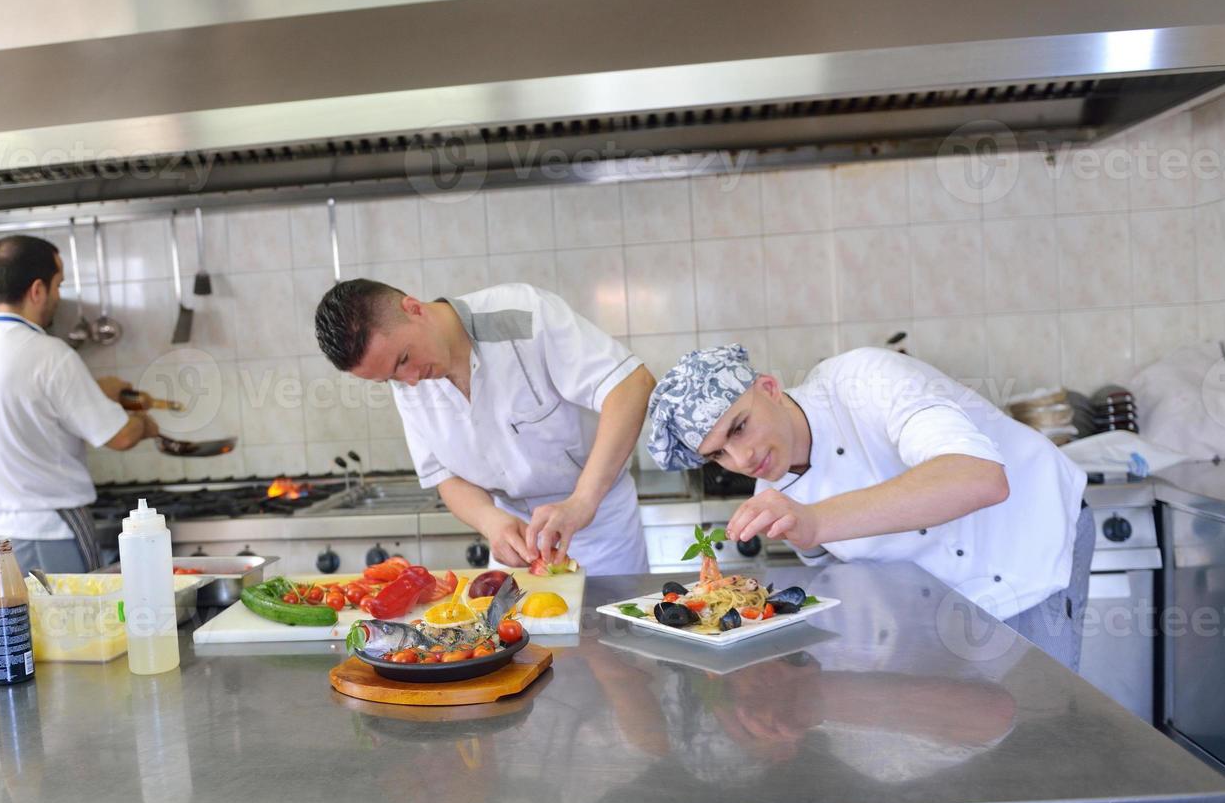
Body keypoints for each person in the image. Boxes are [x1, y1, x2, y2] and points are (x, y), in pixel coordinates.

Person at [646, 344, 1092, 670]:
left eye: (739, 427)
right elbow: (838, 568)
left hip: (1026, 536)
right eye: (719, 453)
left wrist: (817, 520)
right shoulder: (770, 486)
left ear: (769, 388)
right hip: (942, 592)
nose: (740, 459)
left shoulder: (865, 380)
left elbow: (979, 478)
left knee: (1041, 724)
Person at [314, 279, 655, 575]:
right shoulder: (407, 381)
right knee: (522, 648)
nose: (411, 380)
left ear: (414, 308)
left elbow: (631, 386)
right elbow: (444, 476)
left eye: (404, 359)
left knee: (610, 643)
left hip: (600, 528)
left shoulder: (522, 315)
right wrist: (490, 522)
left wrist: (582, 500)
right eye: (390, 377)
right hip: (516, 546)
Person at [0, 235, 159, 573]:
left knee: (4, 627)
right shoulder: (51, 354)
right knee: (71, 625)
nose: (59, 296)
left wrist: (95, 390)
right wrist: (146, 425)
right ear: (37, 290)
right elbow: (122, 437)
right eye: (58, 285)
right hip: (46, 536)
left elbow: (25, 404)